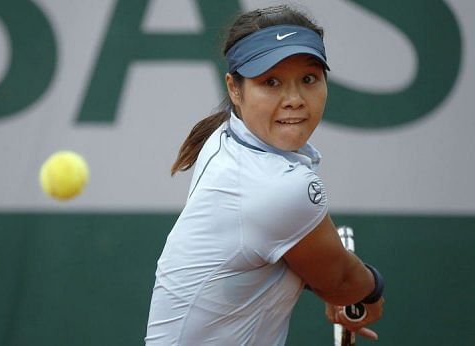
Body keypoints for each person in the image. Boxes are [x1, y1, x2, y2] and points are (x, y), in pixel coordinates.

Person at [145, 5, 384, 345]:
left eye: (309, 79)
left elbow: (295, 258)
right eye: (270, 82)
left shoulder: (224, 141)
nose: (294, 99)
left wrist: (330, 282)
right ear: (234, 89)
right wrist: (371, 290)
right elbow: (343, 280)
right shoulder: (279, 187)